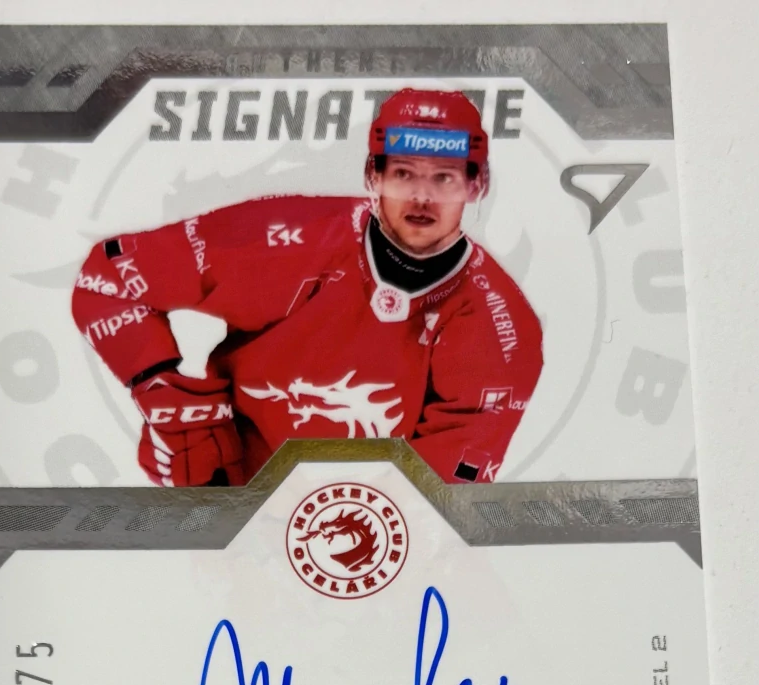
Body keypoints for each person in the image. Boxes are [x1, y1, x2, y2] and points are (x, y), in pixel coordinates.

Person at [72, 88, 543, 487]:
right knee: (189, 455)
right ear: (373, 176)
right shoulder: (289, 237)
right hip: (233, 490)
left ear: (476, 187)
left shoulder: (501, 324)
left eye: (444, 178)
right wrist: (158, 387)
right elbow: (109, 277)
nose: (422, 196)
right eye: (404, 174)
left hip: (364, 519)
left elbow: (441, 496)